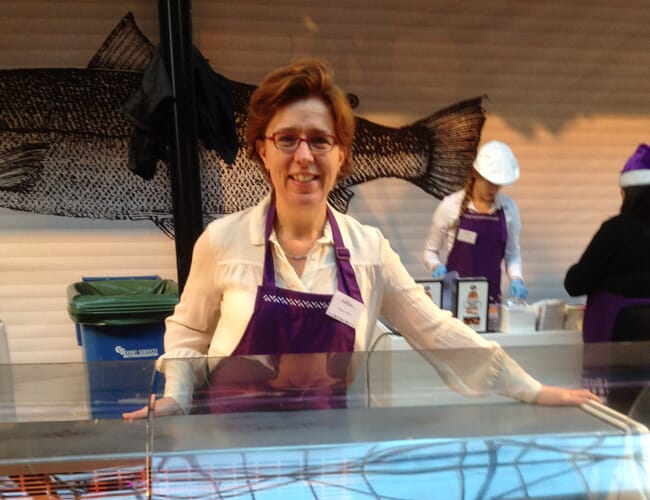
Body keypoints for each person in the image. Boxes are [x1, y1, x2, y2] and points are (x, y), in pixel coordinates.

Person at [123, 59, 595, 420]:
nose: (303, 155)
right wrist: (176, 400)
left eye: (319, 140)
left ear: (341, 154)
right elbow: (187, 334)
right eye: (287, 139)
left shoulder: (369, 251)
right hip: (228, 460)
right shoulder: (221, 241)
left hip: (328, 462)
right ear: (262, 150)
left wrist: (532, 389)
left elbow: (439, 331)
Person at [564, 143, 650, 413]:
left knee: (619, 413)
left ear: (628, 193)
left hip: (620, 335)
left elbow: (576, 282)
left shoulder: (615, 230)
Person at [423, 140, 528, 313]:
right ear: (474, 173)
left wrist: (517, 278)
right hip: (453, 302)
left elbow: (512, 253)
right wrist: (436, 266)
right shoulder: (450, 206)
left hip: (491, 300)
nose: (493, 189)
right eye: (489, 182)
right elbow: (429, 251)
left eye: (498, 184)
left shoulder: (508, 209)